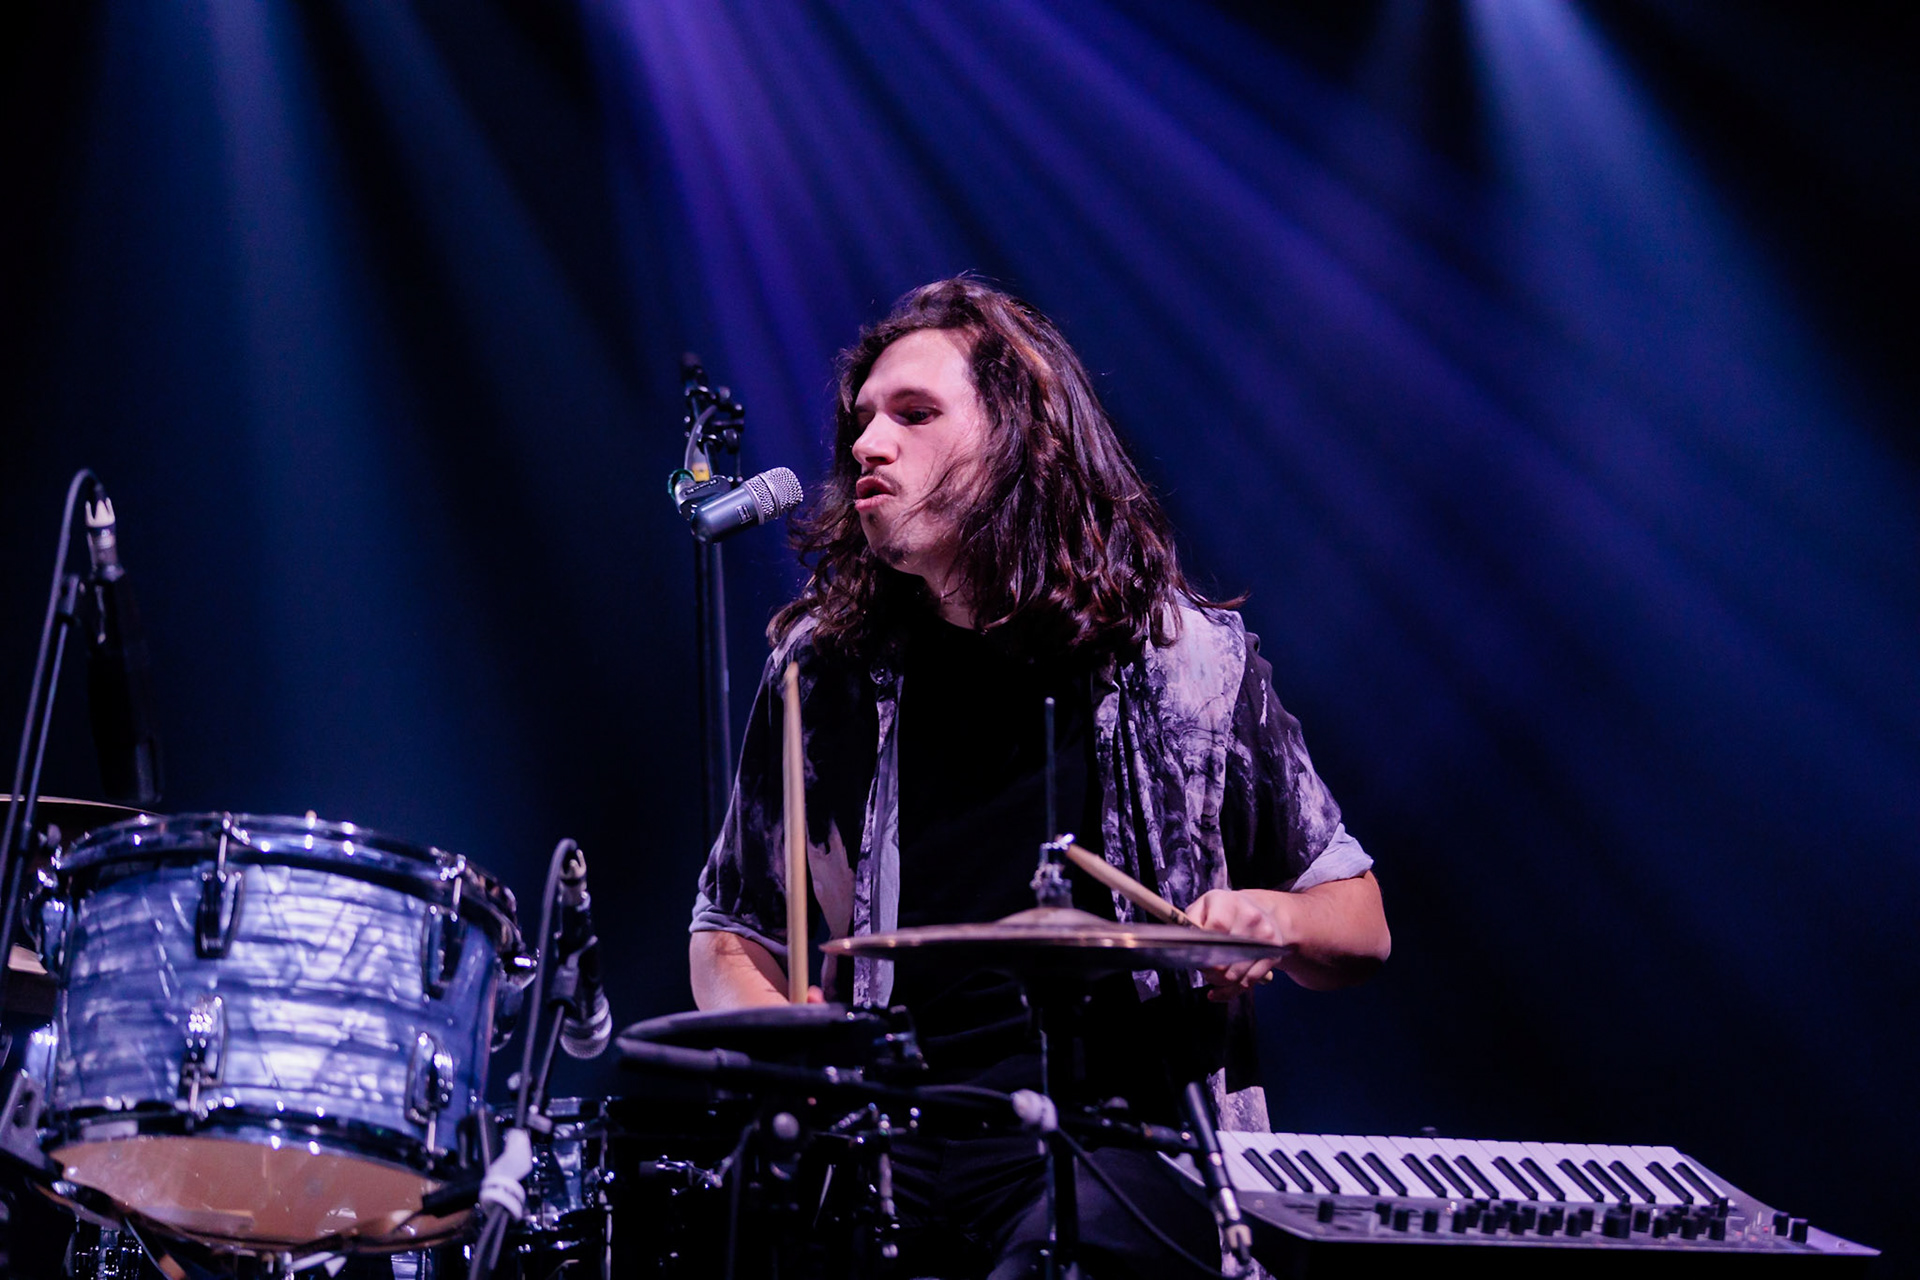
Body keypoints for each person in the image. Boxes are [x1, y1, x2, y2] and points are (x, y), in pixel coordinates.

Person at [689, 277, 1389, 1278]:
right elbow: (730, 930)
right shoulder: (824, 670)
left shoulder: (1186, 663)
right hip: (894, 1141)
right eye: (862, 420)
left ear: (1018, 439)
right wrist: (786, 1045)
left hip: (1128, 1148)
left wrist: (1272, 919)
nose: (867, 444)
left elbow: (1359, 923)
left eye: (914, 414)